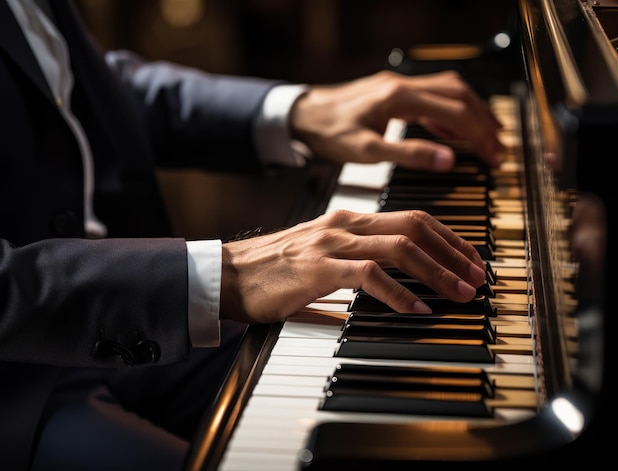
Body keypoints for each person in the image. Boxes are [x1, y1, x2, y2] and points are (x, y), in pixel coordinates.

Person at [0, 0, 505, 469]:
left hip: (128, 322)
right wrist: (226, 273)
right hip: (19, 383)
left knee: (407, 384)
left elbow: (68, 84)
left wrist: (294, 111)